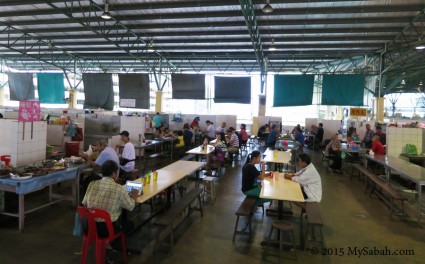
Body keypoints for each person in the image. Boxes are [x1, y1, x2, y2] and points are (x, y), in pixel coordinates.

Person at [82, 160, 139, 248]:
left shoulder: (92, 184)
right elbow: (131, 207)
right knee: (129, 224)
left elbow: (84, 203)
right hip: (107, 229)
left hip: (89, 226)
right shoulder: (118, 188)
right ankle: (113, 244)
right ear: (113, 174)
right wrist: (134, 195)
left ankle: (109, 245)